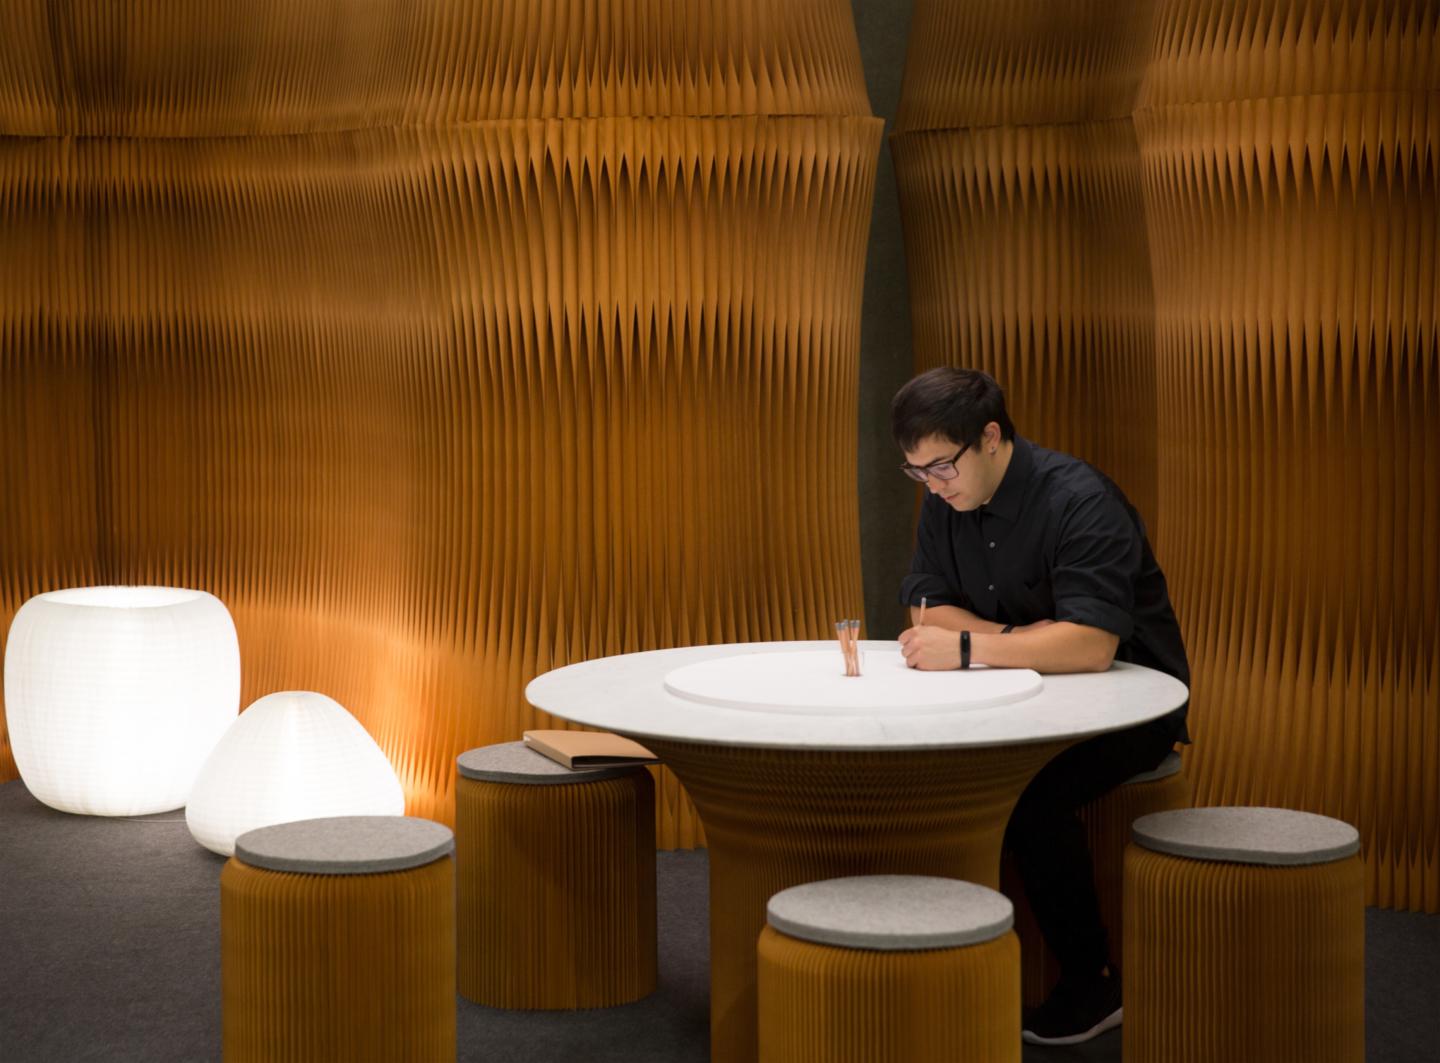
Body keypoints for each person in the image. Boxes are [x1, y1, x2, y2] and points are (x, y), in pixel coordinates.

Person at [893, 366, 1189, 1046]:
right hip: (1021, 692)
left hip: (1130, 706)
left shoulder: (1080, 500)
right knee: (933, 768)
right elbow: (926, 607)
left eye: (941, 466)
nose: (932, 486)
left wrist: (967, 646)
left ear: (990, 437)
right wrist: (1018, 640)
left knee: (1025, 794)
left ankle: (1092, 983)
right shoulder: (945, 498)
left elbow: (1090, 645)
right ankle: (943, 968)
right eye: (917, 472)